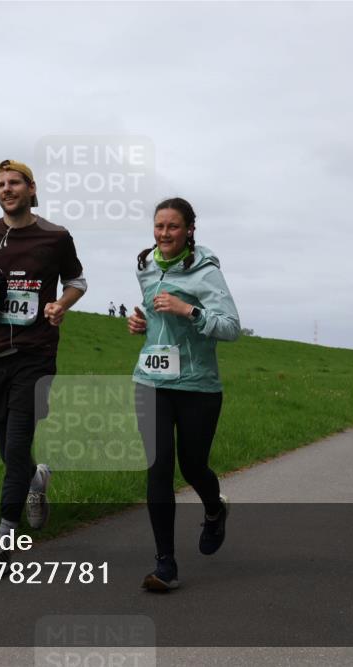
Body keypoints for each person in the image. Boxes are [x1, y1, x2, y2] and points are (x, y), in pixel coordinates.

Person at [0, 159, 87, 568]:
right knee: (6, 449)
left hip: (35, 356)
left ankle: (2, 540)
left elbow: (77, 282)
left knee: (15, 447)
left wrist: (60, 305)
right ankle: (36, 478)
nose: (6, 189)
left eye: (14, 182)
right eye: (0, 184)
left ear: (32, 188)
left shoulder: (56, 237)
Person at [127, 197, 241, 592]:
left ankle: (214, 509)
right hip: (151, 381)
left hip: (197, 386)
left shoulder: (206, 272)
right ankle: (165, 564)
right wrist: (142, 323)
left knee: (193, 467)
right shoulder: (145, 265)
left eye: (173, 226)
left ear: (190, 230)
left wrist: (187, 310)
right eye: (159, 226)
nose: (164, 233)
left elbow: (231, 327)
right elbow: (155, 316)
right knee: (158, 469)